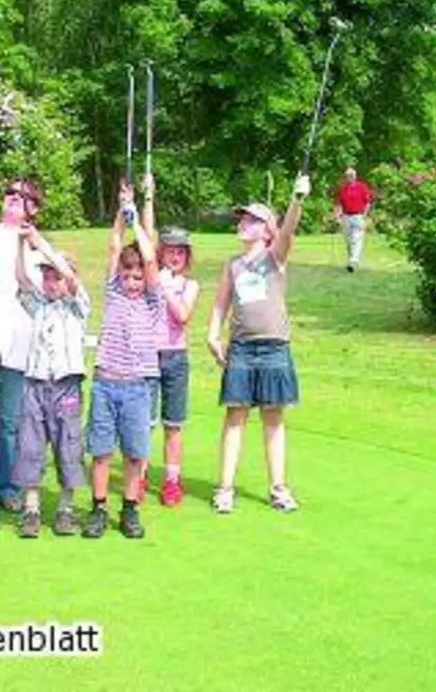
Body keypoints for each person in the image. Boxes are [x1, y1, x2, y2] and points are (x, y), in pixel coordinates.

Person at [205, 173, 311, 515]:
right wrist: (212, 334)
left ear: (267, 230)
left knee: (273, 418)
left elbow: (289, 232)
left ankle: (279, 488)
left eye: (252, 220)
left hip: (274, 348)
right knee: (235, 417)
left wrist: (297, 199)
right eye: (242, 219)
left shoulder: (274, 257)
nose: (243, 223)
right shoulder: (233, 265)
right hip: (241, 350)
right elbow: (221, 304)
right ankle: (224, 488)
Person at [83, 179, 166, 540]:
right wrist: (121, 209)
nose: (132, 281)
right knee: (101, 453)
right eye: (127, 275)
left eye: (136, 277)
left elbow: (149, 258)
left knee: (134, 454)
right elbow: (114, 245)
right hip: (105, 383)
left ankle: (129, 509)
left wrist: (136, 222)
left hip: (136, 388)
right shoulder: (113, 292)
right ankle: (99, 508)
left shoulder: (153, 300)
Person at [11, 227, 91, 538]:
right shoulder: (39, 304)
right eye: (46, 276)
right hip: (35, 383)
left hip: (66, 385)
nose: (50, 282)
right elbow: (20, 279)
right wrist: (21, 245)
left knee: (68, 445)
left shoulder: (76, 304)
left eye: (54, 276)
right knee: (30, 445)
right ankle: (31, 510)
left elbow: (69, 280)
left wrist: (39, 242)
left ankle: (65, 510)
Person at [0, 175, 44, 517]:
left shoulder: (34, 243)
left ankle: (10, 486)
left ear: (34, 208)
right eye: (10, 193)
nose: (14, 198)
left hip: (19, 338)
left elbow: (32, 286)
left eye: (23, 196)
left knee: (12, 421)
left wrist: (27, 243)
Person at [138, 173, 200, 508]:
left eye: (180, 252)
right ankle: (142, 471)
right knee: (145, 421)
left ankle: (172, 480)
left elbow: (183, 316)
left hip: (176, 357)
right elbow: (146, 239)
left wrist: (165, 286)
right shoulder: (153, 275)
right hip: (149, 355)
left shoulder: (189, 285)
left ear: (186, 256)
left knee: (173, 423)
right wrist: (149, 198)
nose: (174, 256)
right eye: (170, 251)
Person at [332, 165, 373, 272]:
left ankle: (353, 260)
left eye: (351, 175)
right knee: (348, 240)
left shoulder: (362, 187)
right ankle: (351, 260)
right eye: (347, 175)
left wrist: (364, 215)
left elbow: (368, 202)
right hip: (346, 216)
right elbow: (339, 204)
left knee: (357, 238)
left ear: (355, 176)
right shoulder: (343, 189)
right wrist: (337, 216)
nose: (349, 177)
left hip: (358, 216)